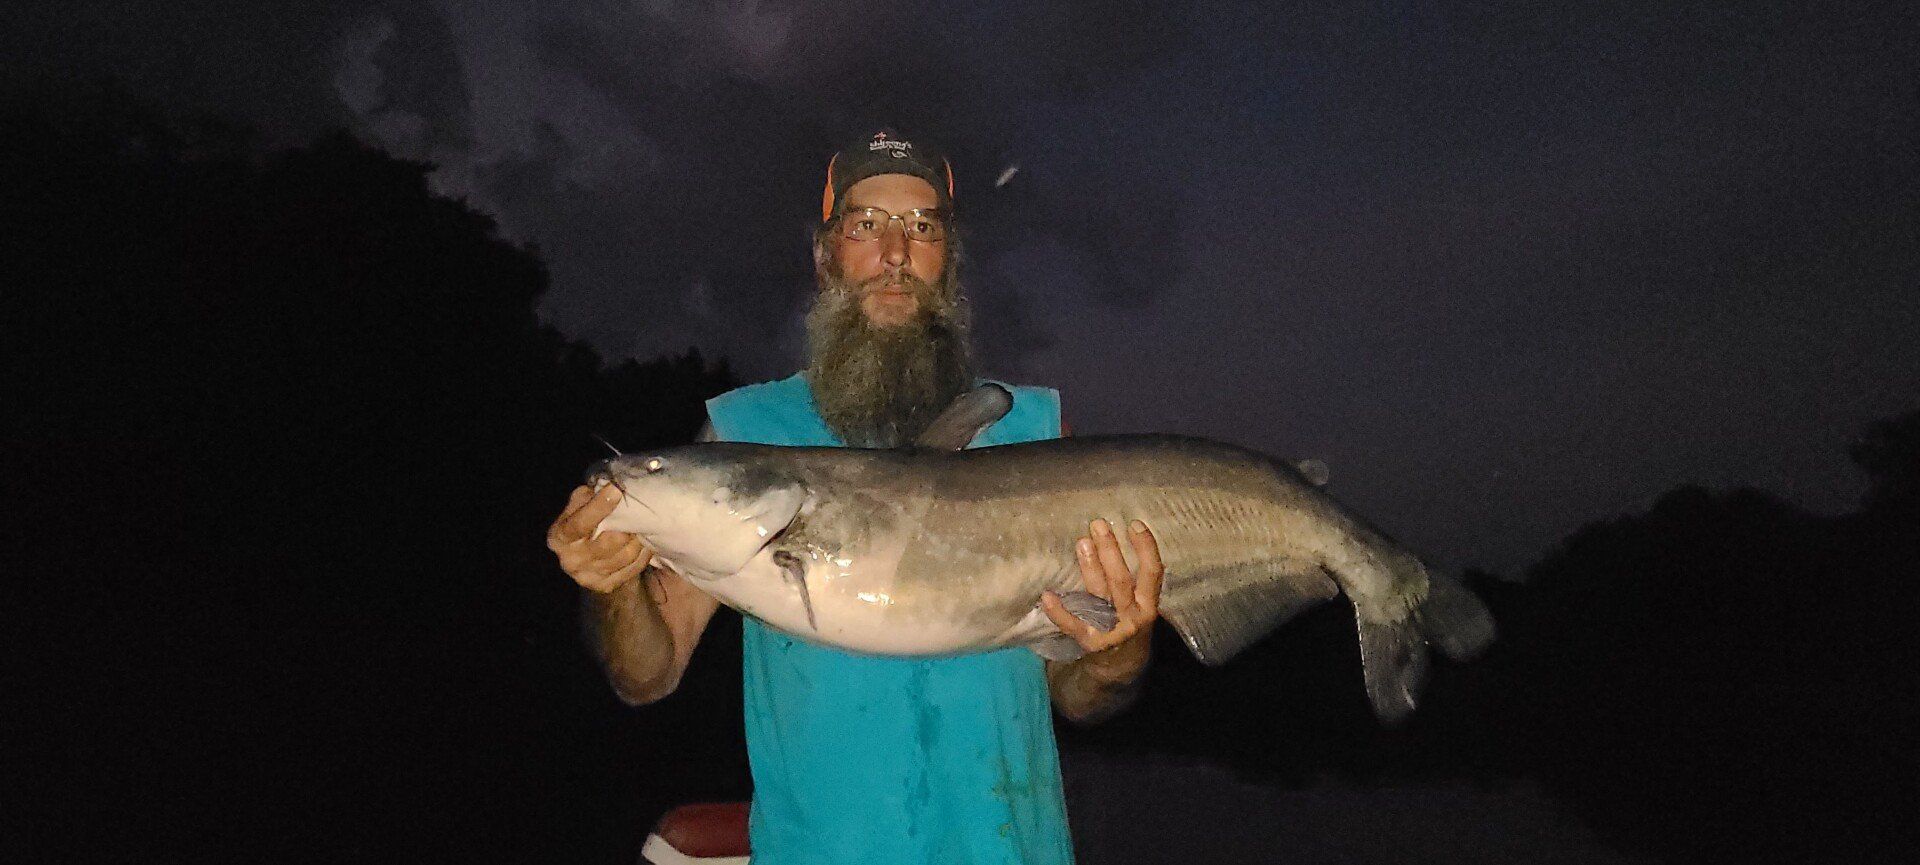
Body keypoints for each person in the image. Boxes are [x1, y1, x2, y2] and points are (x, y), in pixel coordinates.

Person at [546, 129, 1162, 865]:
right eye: (866, 225)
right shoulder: (744, 429)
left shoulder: (1034, 431)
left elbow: (1079, 692)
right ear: (825, 254)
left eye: (922, 228)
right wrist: (616, 584)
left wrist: (1119, 655)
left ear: (949, 260)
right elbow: (646, 675)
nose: (894, 253)